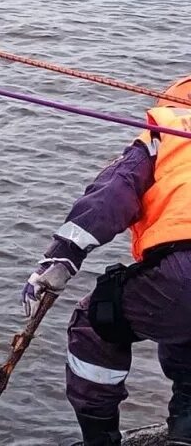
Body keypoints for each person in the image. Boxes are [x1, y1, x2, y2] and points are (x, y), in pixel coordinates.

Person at [20, 75, 191, 445]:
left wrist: (62, 258)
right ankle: (186, 426)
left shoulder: (164, 136)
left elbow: (113, 194)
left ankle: (101, 438)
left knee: (97, 322)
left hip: (185, 270)